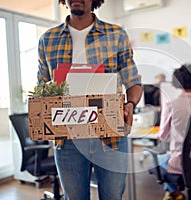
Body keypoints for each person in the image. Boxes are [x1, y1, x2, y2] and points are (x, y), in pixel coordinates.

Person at [37, 0, 142, 199]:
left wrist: (130, 104)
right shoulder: (47, 39)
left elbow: (133, 82)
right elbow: (43, 88)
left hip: (110, 137)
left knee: (113, 196)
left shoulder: (116, 35)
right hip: (67, 139)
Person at [157, 64, 191, 200]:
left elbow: (162, 136)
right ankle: (172, 193)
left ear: (177, 84)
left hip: (180, 162)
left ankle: (174, 193)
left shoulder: (171, 105)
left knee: (155, 158)